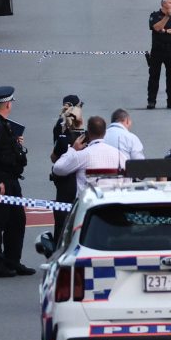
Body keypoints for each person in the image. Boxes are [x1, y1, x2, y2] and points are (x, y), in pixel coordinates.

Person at [0, 86, 34, 278]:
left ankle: (12, 260)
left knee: (16, 220)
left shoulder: (4, 124)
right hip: (0, 181)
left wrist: (17, 143)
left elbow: (6, 150)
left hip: (11, 179)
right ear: (7, 104)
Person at [52, 116, 126, 191]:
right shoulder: (120, 155)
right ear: (105, 132)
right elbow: (128, 180)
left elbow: (58, 169)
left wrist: (73, 149)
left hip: (89, 201)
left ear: (88, 132)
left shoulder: (82, 155)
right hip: (114, 200)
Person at [50, 100, 84, 238]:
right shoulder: (86, 137)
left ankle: (59, 245)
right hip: (82, 184)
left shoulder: (63, 139)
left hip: (64, 183)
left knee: (61, 220)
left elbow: (54, 158)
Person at [146, 0, 171, 109]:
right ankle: (151, 101)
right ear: (163, 4)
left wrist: (166, 31)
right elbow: (156, 28)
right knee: (154, 76)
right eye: (170, 3)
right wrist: (166, 17)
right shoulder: (154, 15)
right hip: (158, 50)